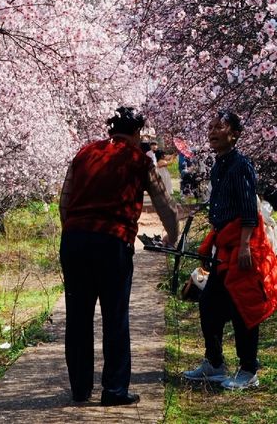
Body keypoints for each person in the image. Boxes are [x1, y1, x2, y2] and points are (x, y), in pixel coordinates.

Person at [59, 106, 179, 407]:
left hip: (75, 241)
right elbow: (164, 202)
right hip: (112, 242)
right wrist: (172, 235)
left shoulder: (85, 153)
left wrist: (75, 231)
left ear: (111, 129)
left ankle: (80, 389)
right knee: (115, 317)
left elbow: (65, 199)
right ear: (137, 133)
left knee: (78, 316)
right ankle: (113, 390)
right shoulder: (139, 160)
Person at [183, 110, 277, 390]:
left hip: (243, 246)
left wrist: (246, 244)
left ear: (234, 134)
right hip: (224, 246)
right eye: (210, 126)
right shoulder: (219, 166)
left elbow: (249, 207)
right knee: (209, 303)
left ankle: (249, 370)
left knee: (242, 307)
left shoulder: (241, 165)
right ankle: (214, 363)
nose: (212, 131)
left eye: (219, 127)